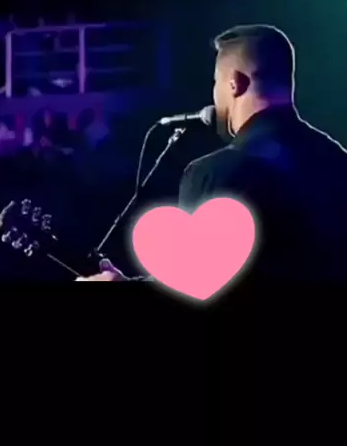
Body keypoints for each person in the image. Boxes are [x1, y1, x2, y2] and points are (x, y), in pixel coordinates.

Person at [77, 24, 347, 283]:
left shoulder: (213, 174)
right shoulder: (337, 160)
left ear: (235, 83)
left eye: (216, 82)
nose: (214, 94)